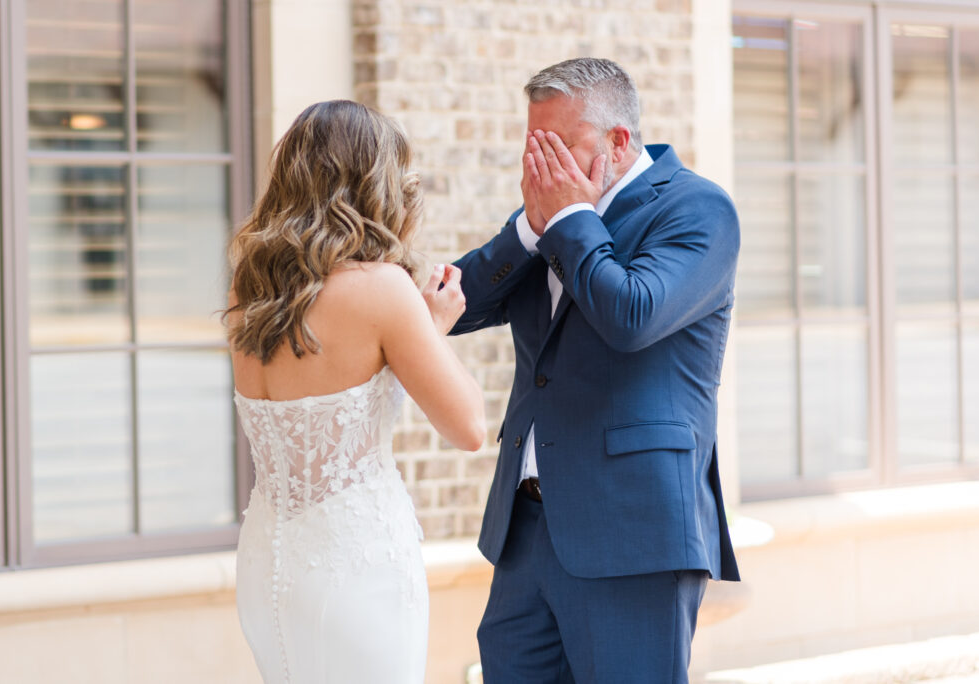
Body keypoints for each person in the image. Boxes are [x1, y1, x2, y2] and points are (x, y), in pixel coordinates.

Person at [451, 58, 741, 683]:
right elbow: (452, 309)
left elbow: (631, 316)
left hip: (632, 535)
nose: (542, 163)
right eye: (535, 145)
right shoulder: (547, 215)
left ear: (617, 140)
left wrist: (568, 221)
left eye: (560, 145)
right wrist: (528, 231)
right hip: (527, 532)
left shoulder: (697, 209)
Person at [225, 100, 485, 684]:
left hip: (268, 560)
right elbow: (467, 425)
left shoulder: (252, 289)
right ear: (375, 185)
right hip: (354, 567)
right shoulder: (382, 290)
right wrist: (431, 328)